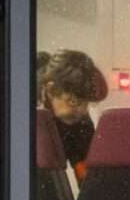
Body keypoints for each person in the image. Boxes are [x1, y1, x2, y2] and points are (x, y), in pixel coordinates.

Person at [36, 50, 108, 184]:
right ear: (51, 90)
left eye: (85, 103)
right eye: (74, 101)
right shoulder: (20, 103)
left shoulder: (79, 121)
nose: (81, 110)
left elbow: (86, 173)